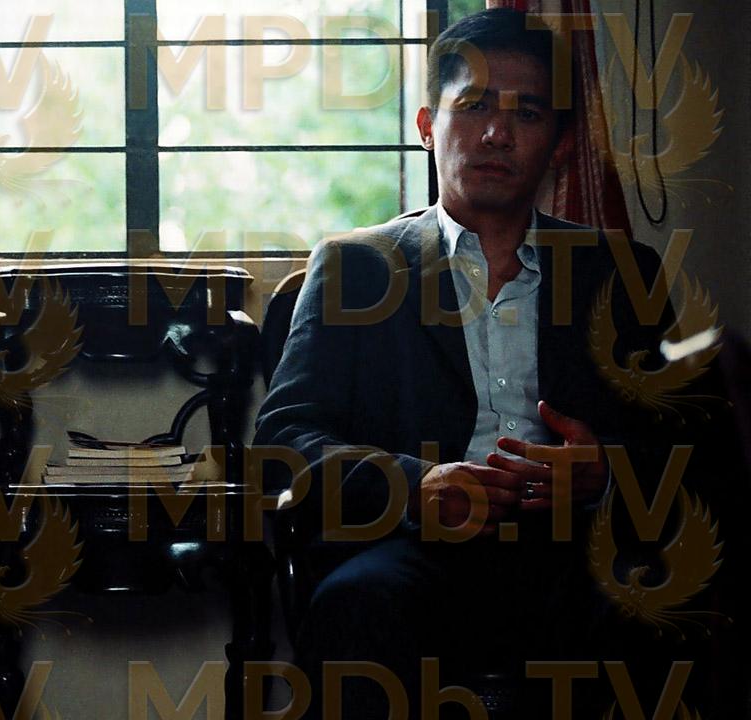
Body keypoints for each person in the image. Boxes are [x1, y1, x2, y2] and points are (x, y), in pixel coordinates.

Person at [255, 9, 672, 716]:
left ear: (562, 143)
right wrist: (413, 486)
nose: (496, 134)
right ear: (427, 125)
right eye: (473, 106)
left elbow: (698, 446)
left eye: (526, 113)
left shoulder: (622, 273)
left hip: (581, 554)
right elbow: (283, 444)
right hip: (410, 550)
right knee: (355, 608)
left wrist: (606, 470)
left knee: (661, 603)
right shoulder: (355, 267)